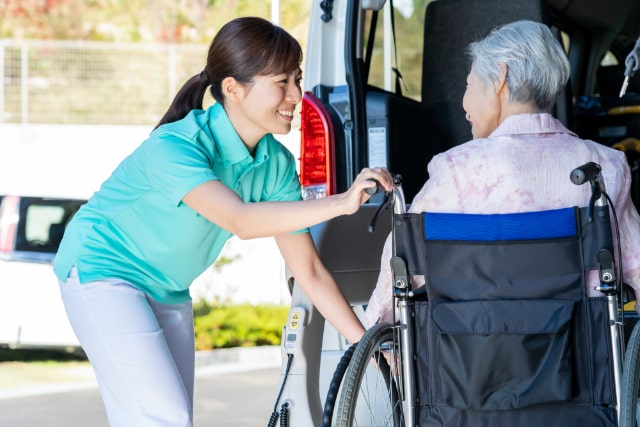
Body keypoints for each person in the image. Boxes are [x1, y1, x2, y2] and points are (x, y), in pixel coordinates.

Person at [53, 16, 393, 427]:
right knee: (164, 416)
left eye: (297, 79)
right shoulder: (177, 146)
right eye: (281, 82)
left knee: (166, 417)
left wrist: (367, 348)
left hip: (168, 288)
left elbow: (309, 271)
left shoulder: (276, 165)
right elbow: (242, 221)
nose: (296, 95)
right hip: (101, 272)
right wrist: (341, 203)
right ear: (233, 88)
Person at [364, 19, 640, 327]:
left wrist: (376, 337)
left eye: (469, 85)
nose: (464, 103)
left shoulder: (459, 170)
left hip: (471, 363)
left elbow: (402, 266)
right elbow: (637, 268)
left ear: (500, 77)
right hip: (583, 364)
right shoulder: (607, 168)